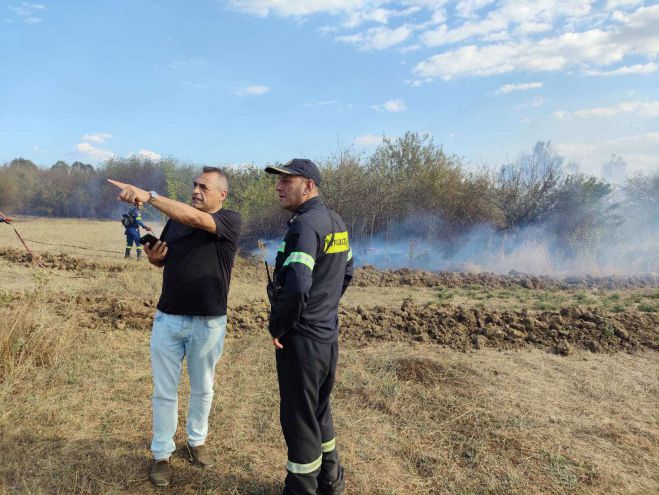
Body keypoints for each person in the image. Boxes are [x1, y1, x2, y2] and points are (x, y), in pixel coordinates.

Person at [108, 167, 242, 487]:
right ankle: (161, 454)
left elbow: (196, 220)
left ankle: (196, 441)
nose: (195, 190)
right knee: (164, 392)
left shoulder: (229, 220)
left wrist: (149, 196)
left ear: (221, 195)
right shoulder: (176, 221)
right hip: (168, 318)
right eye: (194, 185)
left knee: (203, 388)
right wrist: (154, 255)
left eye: (203, 187)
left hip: (208, 322)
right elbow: (162, 260)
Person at [265, 159, 353, 495]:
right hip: (327, 337)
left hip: (302, 341)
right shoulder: (336, 222)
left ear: (309, 185)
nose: (279, 186)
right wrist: (324, 308)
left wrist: (279, 326)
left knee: (299, 418)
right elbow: (347, 272)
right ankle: (331, 481)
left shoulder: (304, 226)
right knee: (319, 409)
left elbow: (299, 284)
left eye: (288, 180)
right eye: (279, 181)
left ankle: (302, 488)